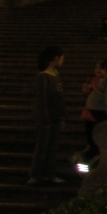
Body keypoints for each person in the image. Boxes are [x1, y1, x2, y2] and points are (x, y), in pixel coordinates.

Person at [29, 45, 66, 185]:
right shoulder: (44, 75)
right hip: (47, 117)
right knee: (42, 146)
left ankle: (49, 173)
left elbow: (59, 97)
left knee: (52, 146)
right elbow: (41, 99)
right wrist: (44, 117)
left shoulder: (55, 74)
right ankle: (36, 174)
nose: (63, 60)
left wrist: (62, 116)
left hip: (55, 115)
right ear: (56, 58)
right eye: (62, 57)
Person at [78, 60, 107, 163]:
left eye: (101, 68)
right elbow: (89, 97)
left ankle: (95, 156)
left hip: (102, 112)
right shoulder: (94, 80)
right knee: (90, 134)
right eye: (96, 68)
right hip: (90, 112)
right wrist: (86, 91)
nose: (97, 70)